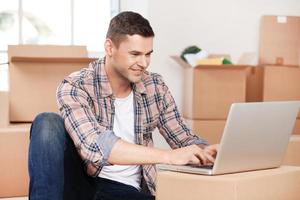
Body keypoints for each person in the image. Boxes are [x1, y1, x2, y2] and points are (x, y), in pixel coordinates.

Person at [28, 11, 218, 200]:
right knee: (47, 122)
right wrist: (170, 156)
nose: (143, 63)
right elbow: (96, 147)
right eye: (135, 54)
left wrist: (204, 151)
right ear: (110, 48)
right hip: (83, 185)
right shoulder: (76, 86)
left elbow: (183, 138)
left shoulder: (155, 86)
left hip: (128, 191)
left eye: (148, 54)